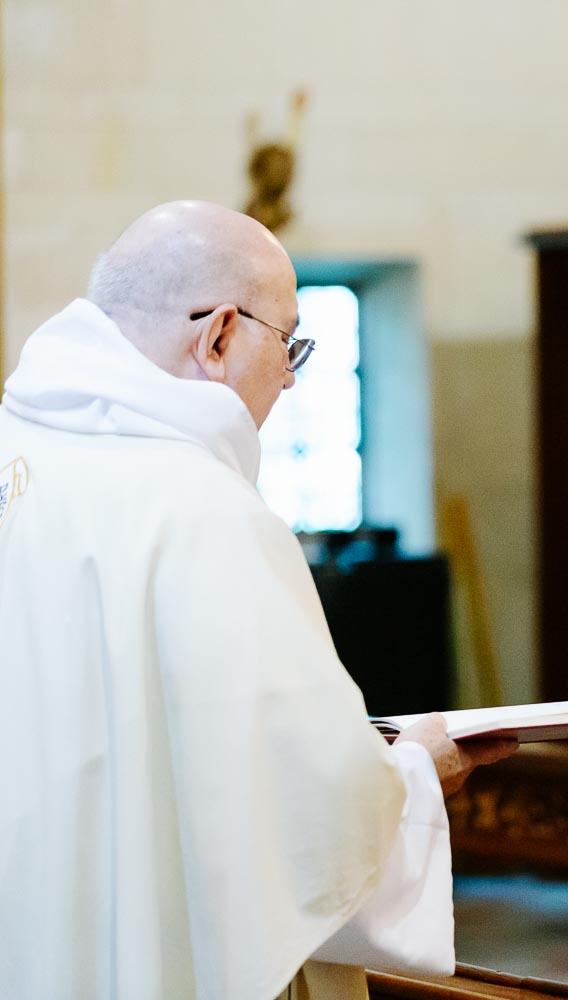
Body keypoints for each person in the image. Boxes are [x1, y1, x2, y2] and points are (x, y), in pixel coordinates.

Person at [0, 201, 515, 1000]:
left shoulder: (16, 458)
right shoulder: (203, 510)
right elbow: (303, 810)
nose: (290, 377)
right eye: (289, 345)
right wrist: (415, 767)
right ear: (217, 337)